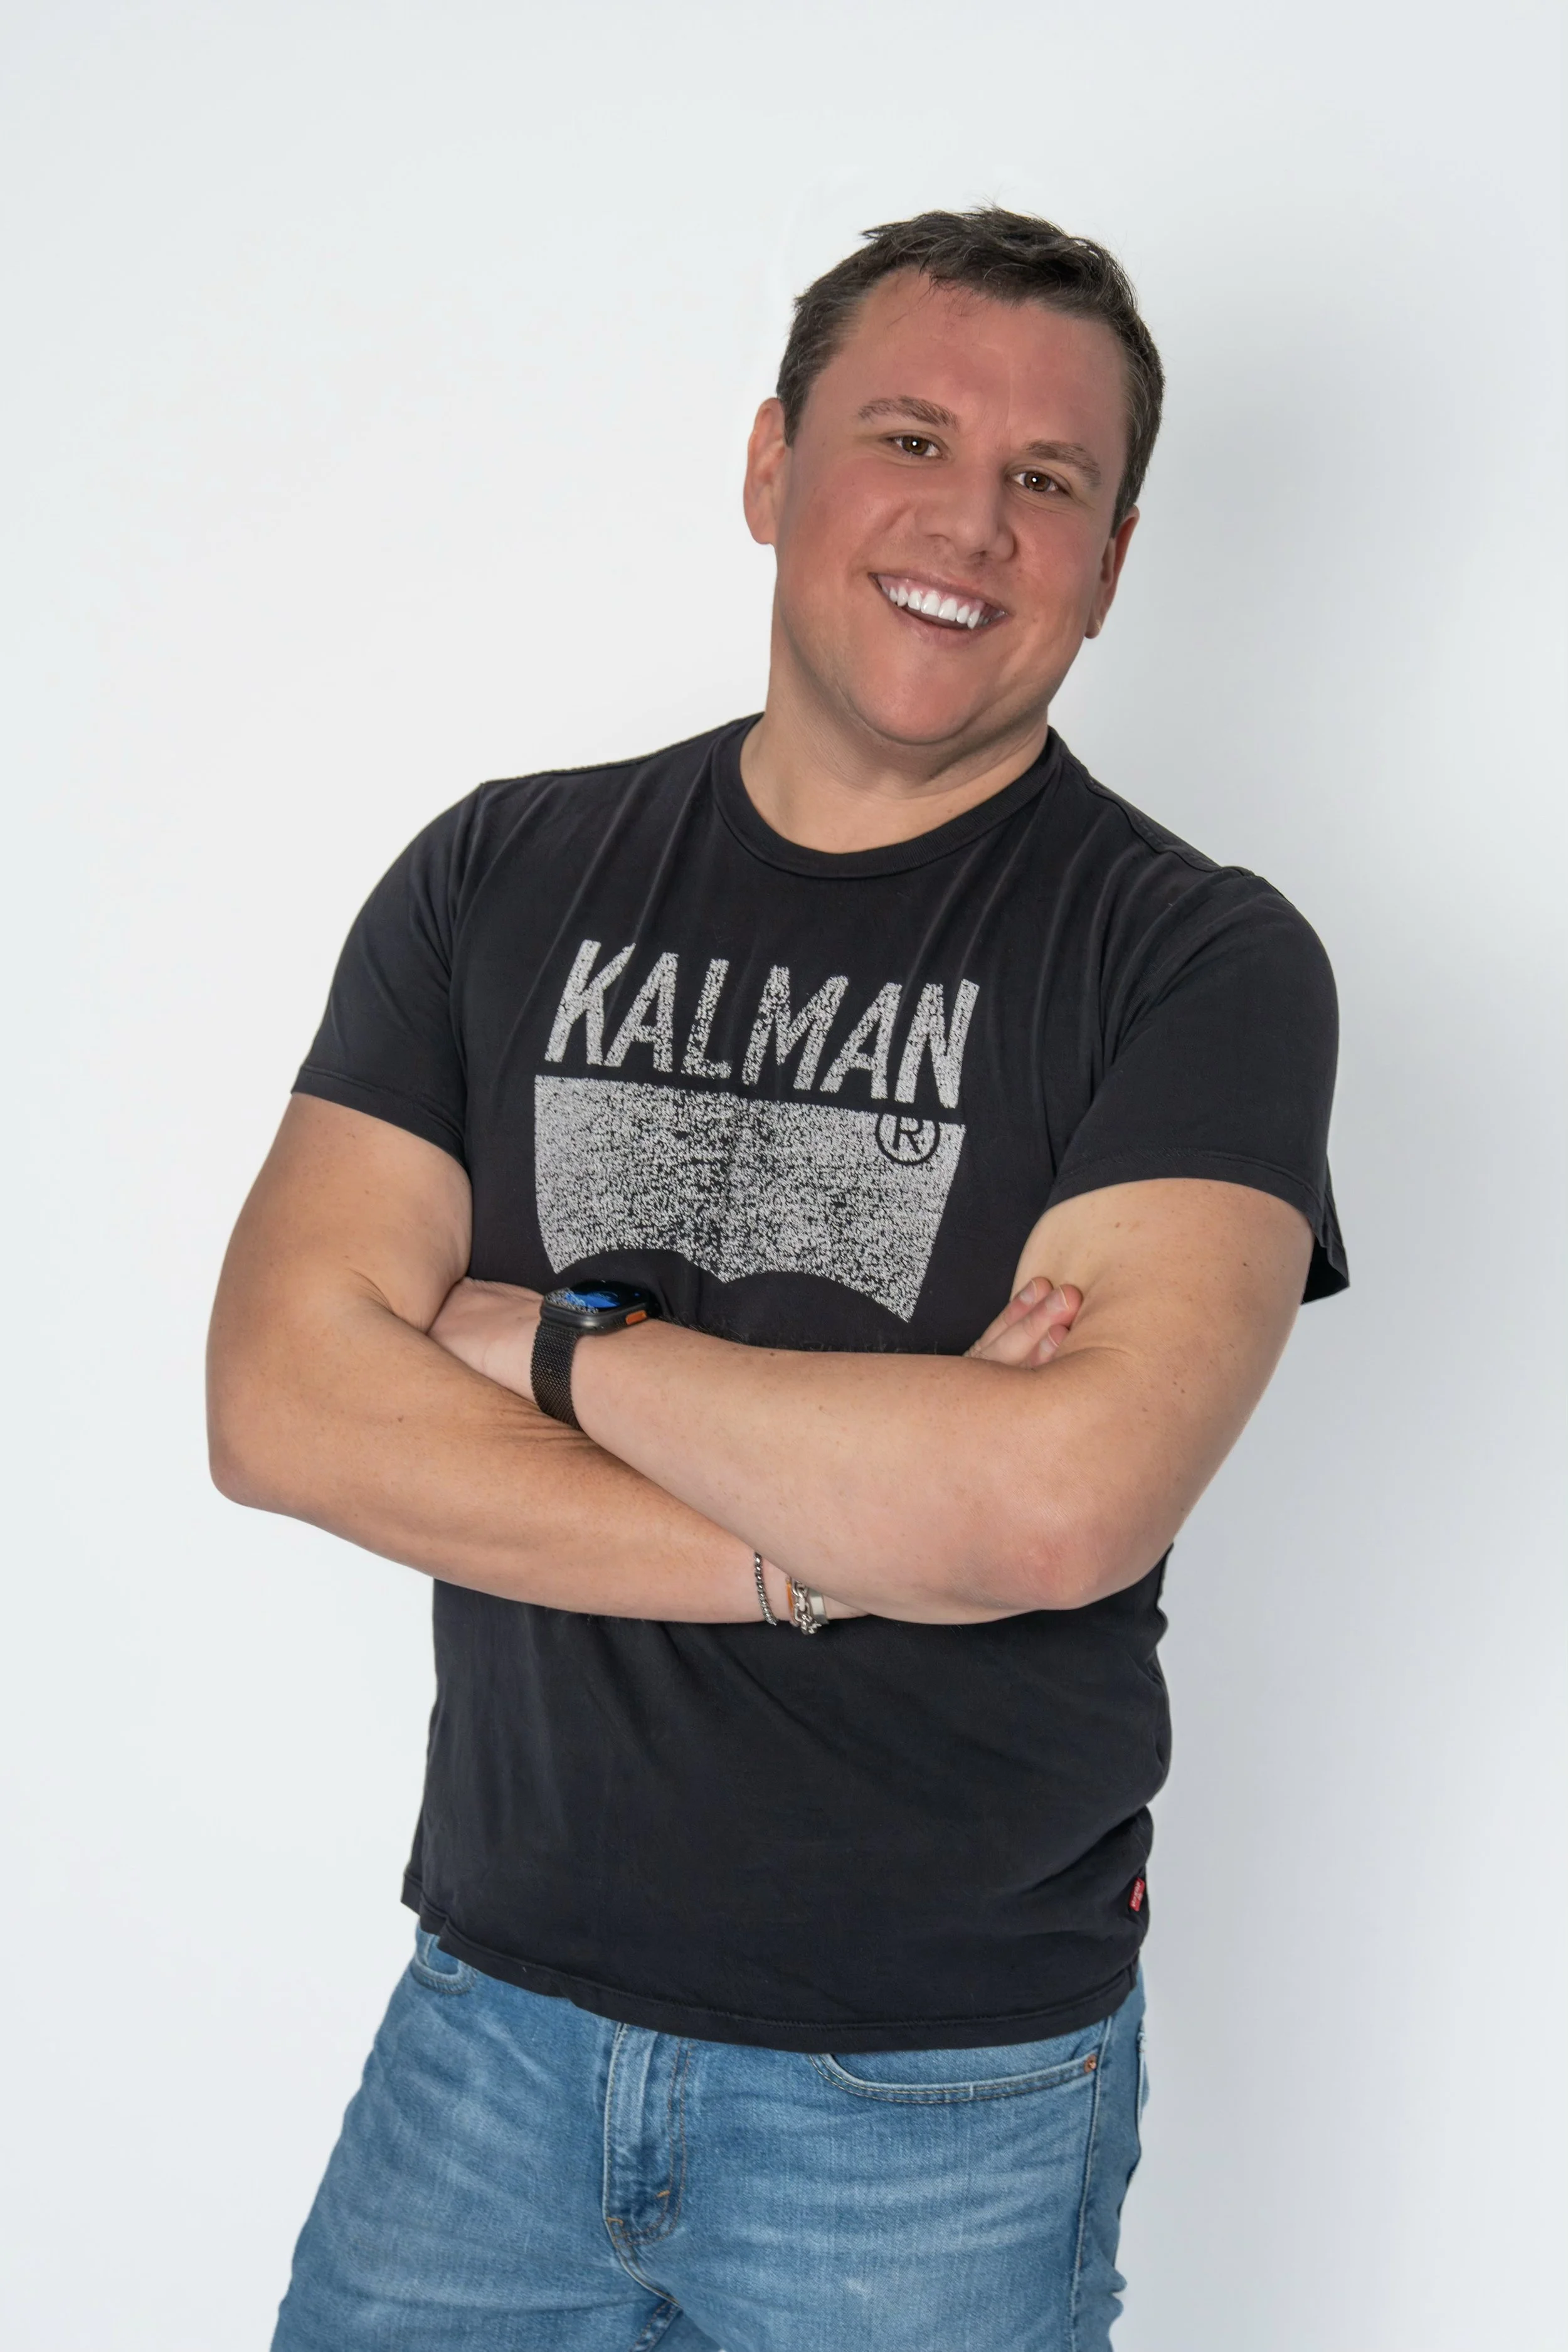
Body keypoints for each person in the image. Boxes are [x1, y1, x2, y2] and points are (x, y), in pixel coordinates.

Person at [208, 206, 1346, 2352]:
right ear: (769, 466)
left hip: (931, 2096)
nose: (972, 524)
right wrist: (825, 1553)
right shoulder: (498, 875)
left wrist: (528, 1338)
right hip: (487, 2030)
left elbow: (1052, 1508)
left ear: (1108, 560)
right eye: (907, 436)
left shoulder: (1194, 962)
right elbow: (279, 1405)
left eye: (1047, 482)